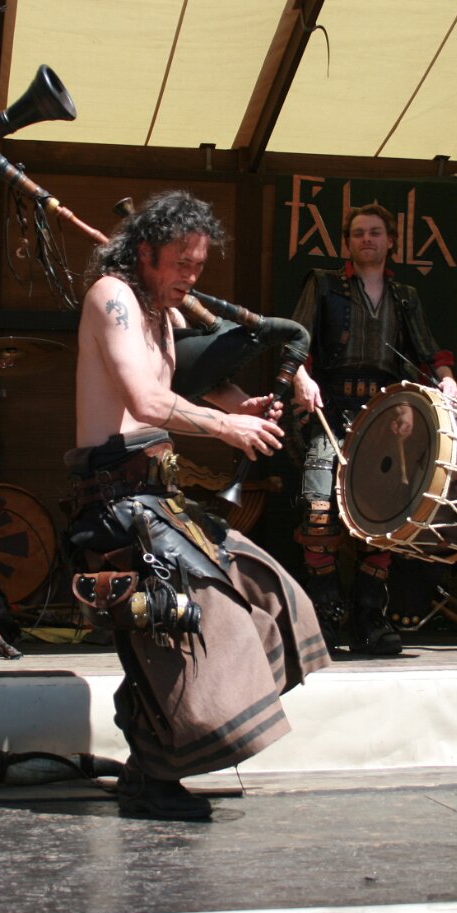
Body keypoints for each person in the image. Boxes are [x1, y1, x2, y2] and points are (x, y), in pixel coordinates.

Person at [67, 190, 330, 820]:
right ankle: (153, 776)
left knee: (268, 592)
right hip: (115, 500)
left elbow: (192, 382)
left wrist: (242, 406)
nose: (191, 277)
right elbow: (146, 399)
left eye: (199, 266)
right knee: (192, 622)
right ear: (146, 252)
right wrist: (226, 428)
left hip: (158, 496)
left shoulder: (163, 314)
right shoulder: (112, 296)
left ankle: (151, 767)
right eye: (181, 263)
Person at [290, 202, 457, 656]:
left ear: (390, 242)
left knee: (383, 518)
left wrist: (446, 382)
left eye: (375, 232)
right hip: (328, 408)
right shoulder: (322, 284)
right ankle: (325, 617)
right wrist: (300, 378)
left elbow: (430, 353)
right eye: (358, 233)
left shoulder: (405, 296)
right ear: (348, 242)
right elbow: (295, 341)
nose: (367, 239)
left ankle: (370, 617)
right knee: (318, 511)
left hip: (383, 416)